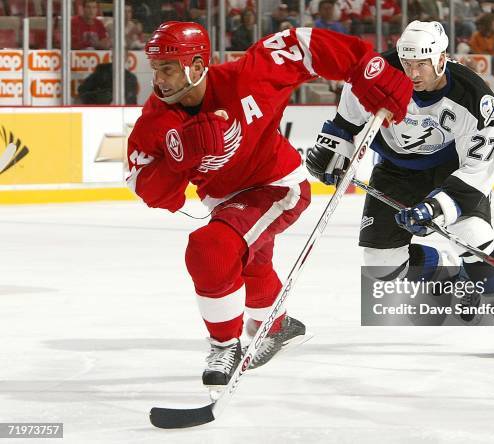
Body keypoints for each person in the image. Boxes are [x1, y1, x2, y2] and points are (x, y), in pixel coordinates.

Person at [126, 21, 411, 386]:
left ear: (196, 66)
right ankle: (277, 327)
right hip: (227, 201)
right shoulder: (155, 120)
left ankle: (224, 345)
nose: (160, 80)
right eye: (157, 69)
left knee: (210, 247)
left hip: (277, 186)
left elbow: (301, 43)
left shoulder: (247, 78)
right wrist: (179, 159)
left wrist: (366, 67)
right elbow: (151, 191)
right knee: (252, 265)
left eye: (168, 68)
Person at [306, 20, 494, 357]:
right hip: (395, 170)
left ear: (442, 59)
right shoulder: (376, 74)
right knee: (380, 265)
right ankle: (453, 275)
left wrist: (435, 207)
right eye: (406, 62)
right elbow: (346, 124)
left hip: (450, 173)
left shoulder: (475, 98)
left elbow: (477, 171)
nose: (412, 72)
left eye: (421, 63)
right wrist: (332, 153)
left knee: (474, 236)